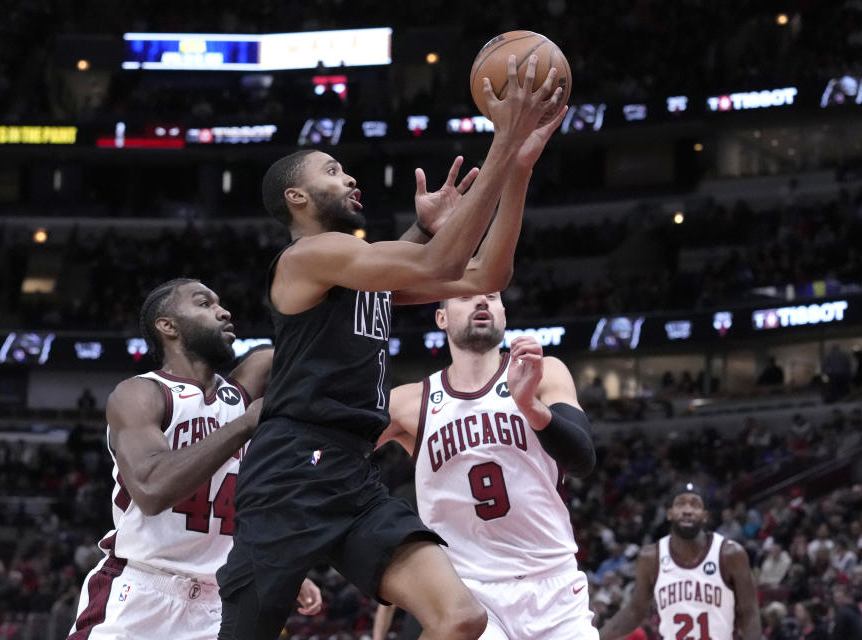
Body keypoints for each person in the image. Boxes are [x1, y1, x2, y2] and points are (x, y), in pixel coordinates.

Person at [215, 56, 566, 640]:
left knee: (460, 618)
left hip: (355, 473)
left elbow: (487, 276)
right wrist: (502, 143)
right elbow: (440, 263)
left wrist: (519, 170)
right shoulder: (307, 257)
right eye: (334, 170)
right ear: (297, 196)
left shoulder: (359, 267)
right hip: (291, 471)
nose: (350, 178)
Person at [67, 279, 321, 640]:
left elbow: (317, 341)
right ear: (167, 326)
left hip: (218, 604)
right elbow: (151, 489)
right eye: (204, 304)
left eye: (220, 303)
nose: (223, 311)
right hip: (141, 592)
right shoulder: (142, 393)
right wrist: (247, 423)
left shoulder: (241, 390)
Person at [375, 289, 597, 639]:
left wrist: (530, 407)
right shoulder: (408, 403)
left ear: (504, 314)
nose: (481, 302)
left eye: (491, 296)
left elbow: (583, 459)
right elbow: (331, 454)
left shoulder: (543, 372)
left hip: (553, 584)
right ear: (441, 318)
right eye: (464, 296)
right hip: (468, 592)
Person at [598, 483, 761, 640]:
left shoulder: (730, 554)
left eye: (695, 505)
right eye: (680, 504)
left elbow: (749, 614)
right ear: (669, 513)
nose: (687, 510)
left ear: (705, 516)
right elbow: (634, 612)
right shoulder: (651, 557)